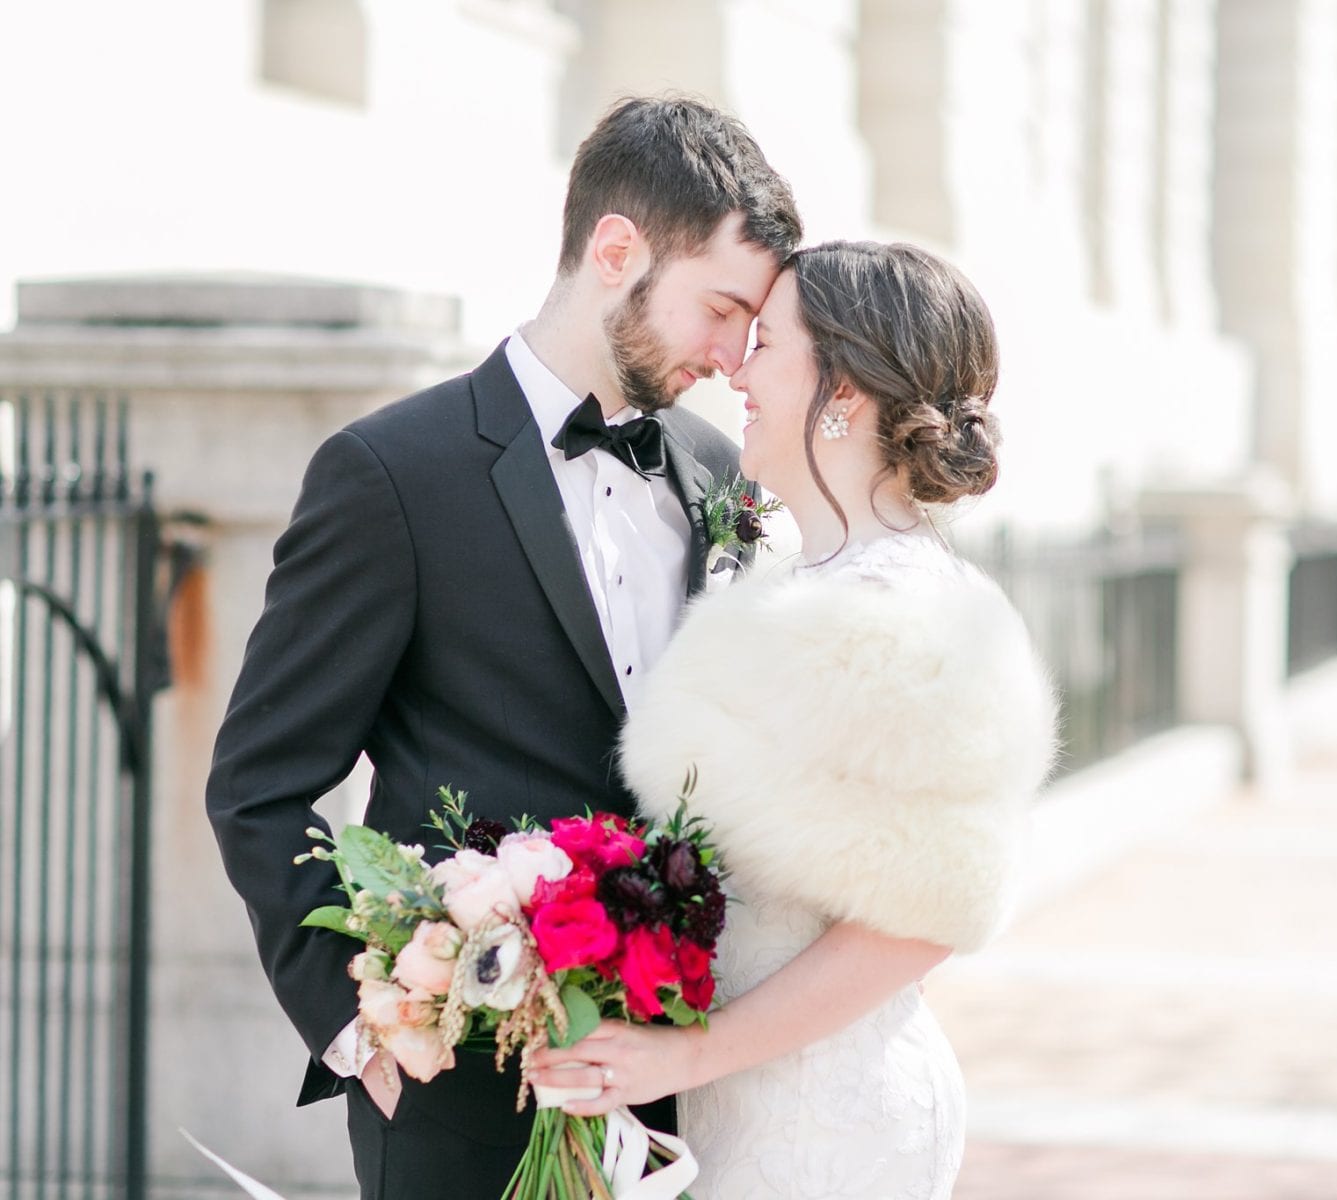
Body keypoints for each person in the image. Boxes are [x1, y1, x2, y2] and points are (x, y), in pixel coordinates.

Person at [205, 96, 800, 1199]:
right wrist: (358, 1022)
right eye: (719, 309)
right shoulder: (391, 475)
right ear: (616, 249)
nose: (730, 356)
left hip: (681, 1089)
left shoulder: (719, 471)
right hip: (464, 1090)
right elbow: (259, 783)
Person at [529, 241, 1059, 1199]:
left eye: (766, 342)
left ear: (843, 390)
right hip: (736, 1104)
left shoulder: (915, 618)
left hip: (830, 1120)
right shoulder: (790, 587)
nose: (734, 365)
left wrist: (688, 1060)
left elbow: (924, 918)